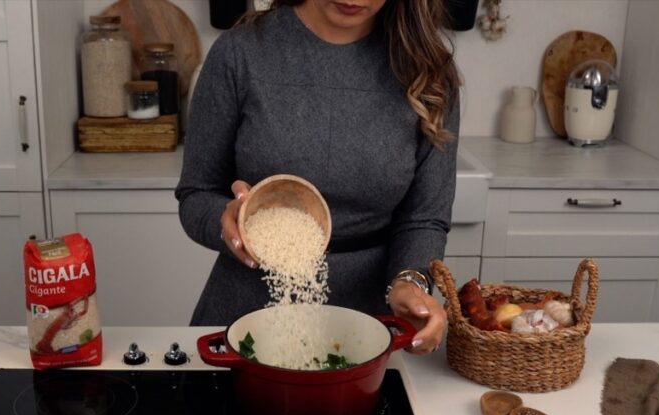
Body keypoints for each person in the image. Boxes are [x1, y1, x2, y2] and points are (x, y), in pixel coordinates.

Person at [175, 0, 460, 355]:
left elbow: (424, 218)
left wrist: (410, 282)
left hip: (371, 328)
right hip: (242, 318)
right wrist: (226, 220)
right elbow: (196, 193)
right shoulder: (240, 52)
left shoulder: (428, 72)